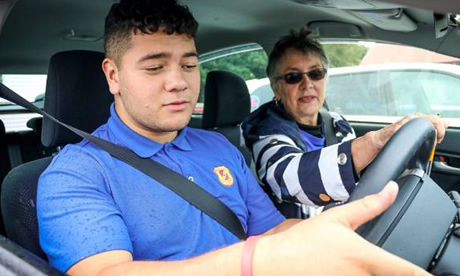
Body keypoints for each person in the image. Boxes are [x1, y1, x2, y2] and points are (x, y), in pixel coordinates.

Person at [37, 1, 432, 275]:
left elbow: (272, 230)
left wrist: (340, 235)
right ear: (113, 76)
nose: (178, 82)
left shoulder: (218, 148)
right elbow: (107, 272)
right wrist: (255, 263)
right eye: (155, 67)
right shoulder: (76, 173)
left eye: (189, 64)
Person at [241, 28, 448, 218]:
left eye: (315, 73)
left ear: (325, 78)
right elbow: (287, 179)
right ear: (276, 87)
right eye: (293, 77)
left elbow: (366, 175)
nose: (307, 84)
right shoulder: (264, 131)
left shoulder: (336, 123)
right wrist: (375, 141)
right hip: (303, 242)